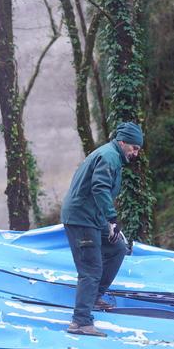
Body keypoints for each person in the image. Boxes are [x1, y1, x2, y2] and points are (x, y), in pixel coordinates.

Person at [59, 121, 142, 337]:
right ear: (122, 142)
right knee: (91, 268)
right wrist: (112, 219)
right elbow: (100, 187)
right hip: (82, 219)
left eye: (138, 149)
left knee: (118, 248)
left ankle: (94, 296)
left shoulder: (113, 156)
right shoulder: (109, 157)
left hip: (93, 217)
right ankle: (80, 322)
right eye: (134, 148)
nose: (136, 153)